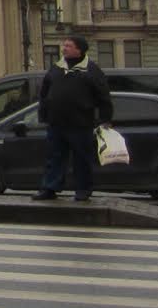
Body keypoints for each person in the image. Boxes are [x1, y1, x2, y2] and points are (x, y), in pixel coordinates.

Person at [35, 35, 111, 202]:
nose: (64, 49)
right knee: (54, 158)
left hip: (80, 123)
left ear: (79, 50)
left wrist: (105, 119)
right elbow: (44, 92)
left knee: (82, 159)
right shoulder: (56, 67)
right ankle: (50, 188)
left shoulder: (92, 70)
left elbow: (103, 96)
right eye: (64, 45)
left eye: (68, 46)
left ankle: (83, 190)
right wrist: (44, 114)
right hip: (56, 123)